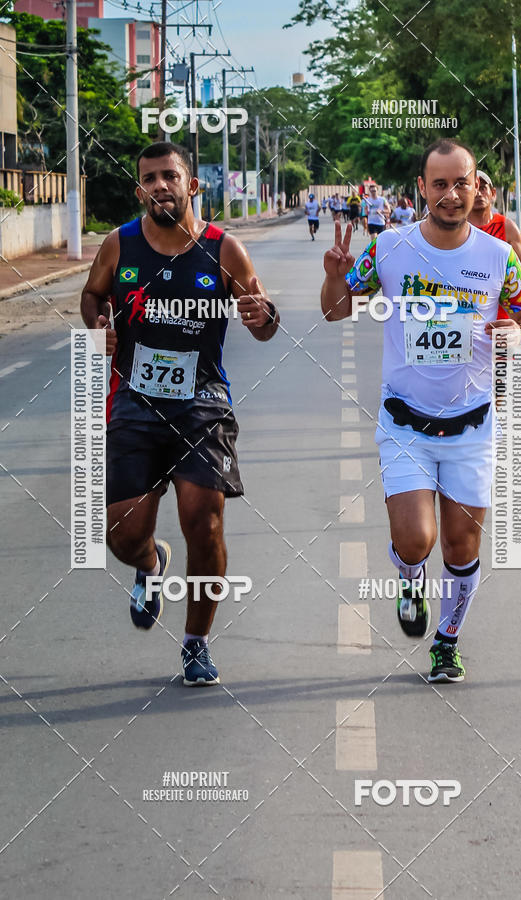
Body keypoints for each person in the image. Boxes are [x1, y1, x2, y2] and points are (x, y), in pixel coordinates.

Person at [321, 138, 521, 683]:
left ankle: (447, 640)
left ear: (476, 187)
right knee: (415, 540)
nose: (450, 194)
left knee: (462, 545)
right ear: (421, 188)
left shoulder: (498, 257)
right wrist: (335, 272)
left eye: (460, 182)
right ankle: (411, 579)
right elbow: (334, 310)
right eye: (439, 184)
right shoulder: (389, 248)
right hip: (405, 425)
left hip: (473, 425)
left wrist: (520, 332)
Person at [80, 142, 280, 686]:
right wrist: (98, 324)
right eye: (150, 178)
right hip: (135, 402)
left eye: (171, 175)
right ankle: (149, 564)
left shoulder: (223, 250)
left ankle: (196, 644)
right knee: (123, 535)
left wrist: (264, 316)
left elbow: (261, 323)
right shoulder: (118, 246)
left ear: (193, 186)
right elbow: (92, 296)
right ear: (139, 189)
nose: (160, 185)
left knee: (204, 521)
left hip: (202, 403)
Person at [469, 170, 521, 281]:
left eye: (483, 188)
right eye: (474, 188)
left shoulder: (507, 227)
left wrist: (505, 281)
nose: (478, 193)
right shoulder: (456, 227)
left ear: (493, 193)